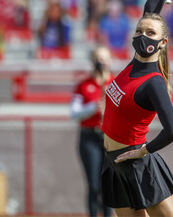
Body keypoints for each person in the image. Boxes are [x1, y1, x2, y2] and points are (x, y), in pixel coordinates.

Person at [101, 0, 173, 217]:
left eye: (150, 33)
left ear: (162, 42)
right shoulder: (132, 66)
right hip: (114, 162)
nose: (142, 35)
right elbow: (151, 9)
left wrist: (143, 151)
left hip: (137, 162)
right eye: (139, 31)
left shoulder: (154, 82)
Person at [70, 46, 113, 217]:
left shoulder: (116, 83)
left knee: (108, 184)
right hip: (89, 137)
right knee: (94, 184)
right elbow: (74, 113)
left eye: (104, 58)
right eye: (97, 58)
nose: (101, 62)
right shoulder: (83, 85)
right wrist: (92, 108)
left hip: (110, 138)